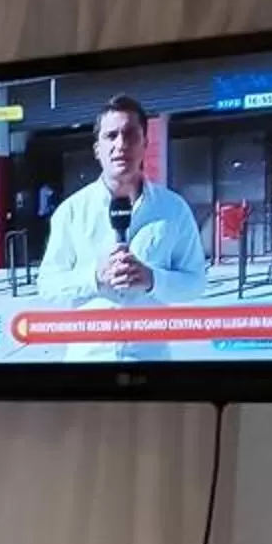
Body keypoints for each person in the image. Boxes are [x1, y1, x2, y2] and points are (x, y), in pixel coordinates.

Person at [33, 95, 208, 362]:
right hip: (88, 362)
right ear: (97, 149)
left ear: (145, 144)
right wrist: (94, 277)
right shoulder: (71, 212)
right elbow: (48, 285)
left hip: (152, 360)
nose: (121, 145)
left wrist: (152, 280)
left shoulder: (173, 209)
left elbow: (194, 283)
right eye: (111, 136)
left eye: (130, 135)